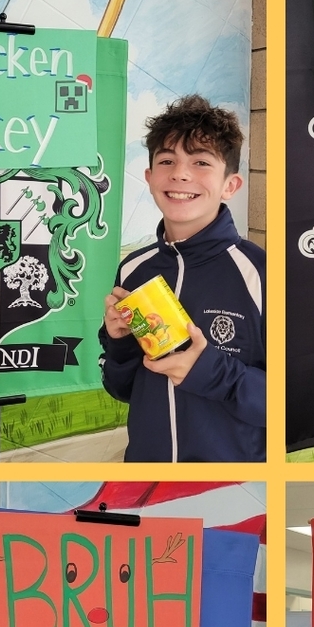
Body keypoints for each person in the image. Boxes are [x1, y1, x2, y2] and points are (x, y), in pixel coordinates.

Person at [100, 94, 265, 462]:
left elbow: (290, 403)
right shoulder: (134, 270)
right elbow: (121, 388)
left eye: (201, 162)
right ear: (149, 177)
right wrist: (120, 342)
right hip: (148, 478)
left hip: (231, 488)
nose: (181, 173)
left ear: (230, 185)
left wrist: (209, 371)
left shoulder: (260, 275)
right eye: (167, 160)